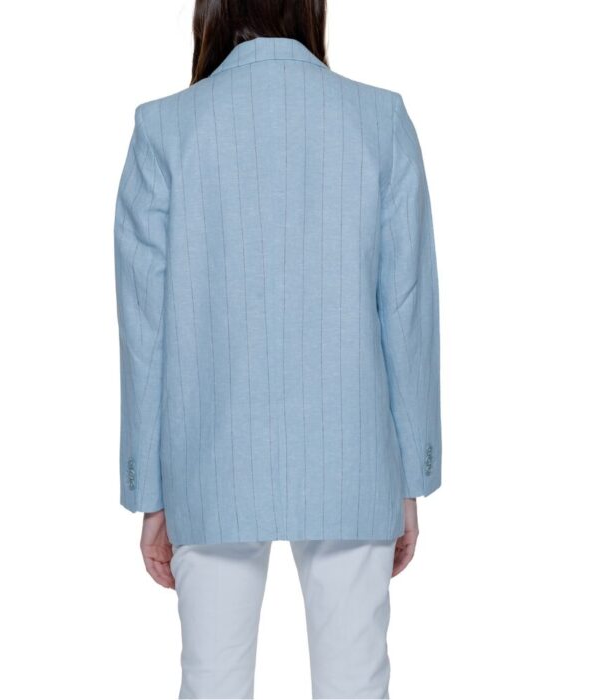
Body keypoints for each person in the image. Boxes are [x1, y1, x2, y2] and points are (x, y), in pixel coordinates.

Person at [113, 1, 442, 697]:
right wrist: (408, 480)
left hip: (209, 461)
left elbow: (146, 332)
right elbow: (407, 312)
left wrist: (152, 493)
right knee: (356, 683)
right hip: (353, 459)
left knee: (212, 681)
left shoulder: (164, 129)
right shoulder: (379, 121)